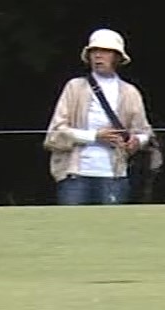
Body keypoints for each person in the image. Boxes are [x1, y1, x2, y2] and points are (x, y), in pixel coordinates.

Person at [43, 29, 156, 205]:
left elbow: (144, 132)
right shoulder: (74, 87)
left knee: (112, 222)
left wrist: (136, 141)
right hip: (75, 175)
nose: (98, 56)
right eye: (94, 51)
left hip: (114, 175)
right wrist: (95, 136)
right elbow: (56, 132)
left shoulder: (130, 92)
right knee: (71, 221)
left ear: (117, 57)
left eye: (105, 51)